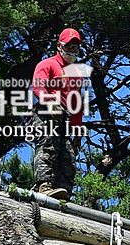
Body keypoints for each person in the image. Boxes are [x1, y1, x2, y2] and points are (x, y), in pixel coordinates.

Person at [30, 28, 88, 200]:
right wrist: (50, 102)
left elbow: (76, 105)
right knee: (48, 145)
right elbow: (38, 86)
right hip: (46, 112)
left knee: (68, 156)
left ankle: (63, 193)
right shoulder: (47, 64)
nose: (72, 50)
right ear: (59, 46)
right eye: (69, 46)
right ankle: (44, 185)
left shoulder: (76, 74)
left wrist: (77, 132)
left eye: (76, 47)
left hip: (64, 117)